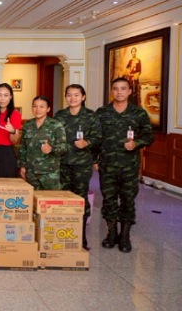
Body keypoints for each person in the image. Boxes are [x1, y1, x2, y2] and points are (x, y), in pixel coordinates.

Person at [97, 77, 153, 253]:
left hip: (129, 166)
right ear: (111, 91)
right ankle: (112, 233)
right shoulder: (102, 112)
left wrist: (136, 143)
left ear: (130, 91)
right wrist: (94, 159)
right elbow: (95, 138)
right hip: (107, 165)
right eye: (115, 88)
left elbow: (149, 136)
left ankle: (125, 236)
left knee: (128, 200)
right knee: (109, 200)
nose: (119, 92)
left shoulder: (139, 113)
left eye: (123, 88)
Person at [54, 84, 102, 250]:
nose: (72, 98)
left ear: (83, 97)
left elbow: (98, 138)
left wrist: (86, 143)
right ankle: (64, 234)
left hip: (82, 164)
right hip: (62, 164)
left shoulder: (91, 116)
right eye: (69, 95)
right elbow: (54, 136)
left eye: (76, 95)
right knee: (64, 198)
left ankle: (81, 236)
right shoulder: (60, 115)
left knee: (80, 198)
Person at [19, 96, 67, 190]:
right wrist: (22, 166)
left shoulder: (56, 125)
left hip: (49, 174)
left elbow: (63, 148)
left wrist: (51, 149)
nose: (38, 109)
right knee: (32, 198)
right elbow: (23, 147)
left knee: (51, 198)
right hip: (31, 173)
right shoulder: (28, 125)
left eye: (41, 106)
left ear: (48, 109)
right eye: (35, 106)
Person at [0, 83, 23, 177]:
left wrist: (12, 131)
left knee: (5, 182)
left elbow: (14, 140)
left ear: (11, 97)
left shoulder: (15, 114)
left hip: (6, 153)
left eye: (6, 95)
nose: (2, 99)